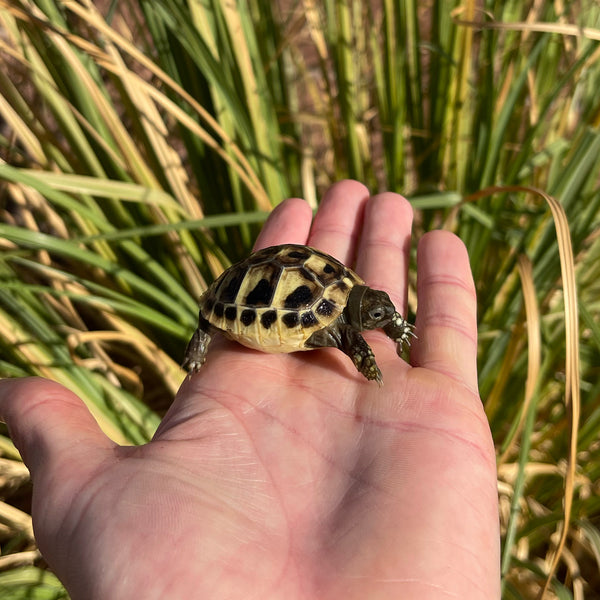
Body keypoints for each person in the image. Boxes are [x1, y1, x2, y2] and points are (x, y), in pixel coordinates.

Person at [0, 181, 500, 599]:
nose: (377, 318)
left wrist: (394, 327)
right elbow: (354, 342)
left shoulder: (356, 302)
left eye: (377, 312)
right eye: (373, 314)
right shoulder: (342, 323)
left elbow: (373, 319)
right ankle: (204, 340)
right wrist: (369, 363)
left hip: (299, 289)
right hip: (258, 296)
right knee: (228, 327)